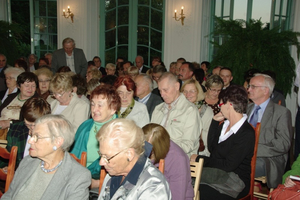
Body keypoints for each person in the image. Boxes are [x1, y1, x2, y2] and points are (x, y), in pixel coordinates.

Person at [1, 114, 91, 200]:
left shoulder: (78, 176)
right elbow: (9, 196)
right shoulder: (28, 161)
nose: (30, 141)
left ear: (57, 142)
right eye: (32, 135)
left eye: (37, 137)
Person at [190, 85, 255, 200]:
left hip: (235, 182)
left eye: (220, 105)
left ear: (229, 105)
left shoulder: (246, 132)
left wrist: (200, 159)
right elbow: (212, 148)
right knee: (186, 186)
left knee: (198, 192)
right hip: (216, 175)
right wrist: (214, 122)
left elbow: (229, 165)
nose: (220, 108)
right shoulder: (224, 125)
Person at [97, 118, 172, 199]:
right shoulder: (113, 174)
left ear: (129, 154)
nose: (101, 162)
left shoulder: (153, 187)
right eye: (101, 155)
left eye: (107, 157)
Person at [247, 73, 292, 188]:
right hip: (243, 155)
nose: (248, 89)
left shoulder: (281, 112)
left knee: (238, 166)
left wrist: (253, 149)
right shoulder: (245, 109)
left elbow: (283, 144)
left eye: (253, 86)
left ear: (265, 90)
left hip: (267, 159)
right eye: (249, 86)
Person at [70, 84, 120, 187]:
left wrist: (97, 183)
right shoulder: (85, 126)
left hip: (105, 184)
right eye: (92, 104)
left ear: (113, 109)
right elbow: (72, 156)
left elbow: (124, 170)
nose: (94, 109)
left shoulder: (120, 132)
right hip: (78, 178)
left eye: (100, 105)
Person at [151, 72, 201, 158]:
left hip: (178, 160)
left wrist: (162, 149)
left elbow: (188, 145)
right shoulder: (158, 109)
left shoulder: (189, 110)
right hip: (156, 158)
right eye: (160, 91)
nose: (162, 95)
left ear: (177, 86)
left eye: (165, 90)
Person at [143, 123, 194, 200]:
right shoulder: (141, 149)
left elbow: (178, 196)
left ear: (158, 148)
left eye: (149, 149)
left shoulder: (178, 159)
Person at [0, 97, 51, 168]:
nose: (32, 128)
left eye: (35, 125)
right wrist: (6, 167)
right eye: (28, 124)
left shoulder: (51, 135)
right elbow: (7, 158)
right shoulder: (16, 130)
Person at [181, 79, 214, 156]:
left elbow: (209, 137)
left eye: (192, 91)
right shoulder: (178, 109)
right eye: (185, 91)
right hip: (180, 149)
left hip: (199, 152)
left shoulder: (206, 111)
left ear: (198, 93)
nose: (187, 94)